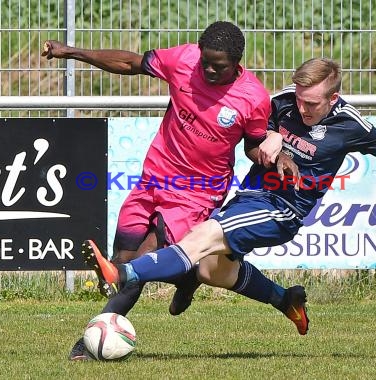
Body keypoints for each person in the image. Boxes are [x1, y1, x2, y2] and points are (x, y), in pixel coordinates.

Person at [83, 57, 376, 337]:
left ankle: (125, 272)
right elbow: (256, 131)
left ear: (333, 99)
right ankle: (287, 300)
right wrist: (268, 137)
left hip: (282, 210)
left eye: (311, 102)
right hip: (249, 196)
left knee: (200, 239)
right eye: (299, 98)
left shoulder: (352, 125)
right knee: (210, 270)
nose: (301, 107)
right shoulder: (284, 101)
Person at [42, 21, 286, 360]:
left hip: (197, 193)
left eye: (221, 66)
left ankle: (90, 341)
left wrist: (275, 153)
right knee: (121, 260)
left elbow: (253, 145)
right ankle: (188, 277)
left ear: (237, 62)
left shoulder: (253, 97)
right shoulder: (183, 60)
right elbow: (131, 63)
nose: (211, 71)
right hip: (153, 178)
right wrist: (73, 52)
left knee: (137, 267)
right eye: (206, 63)